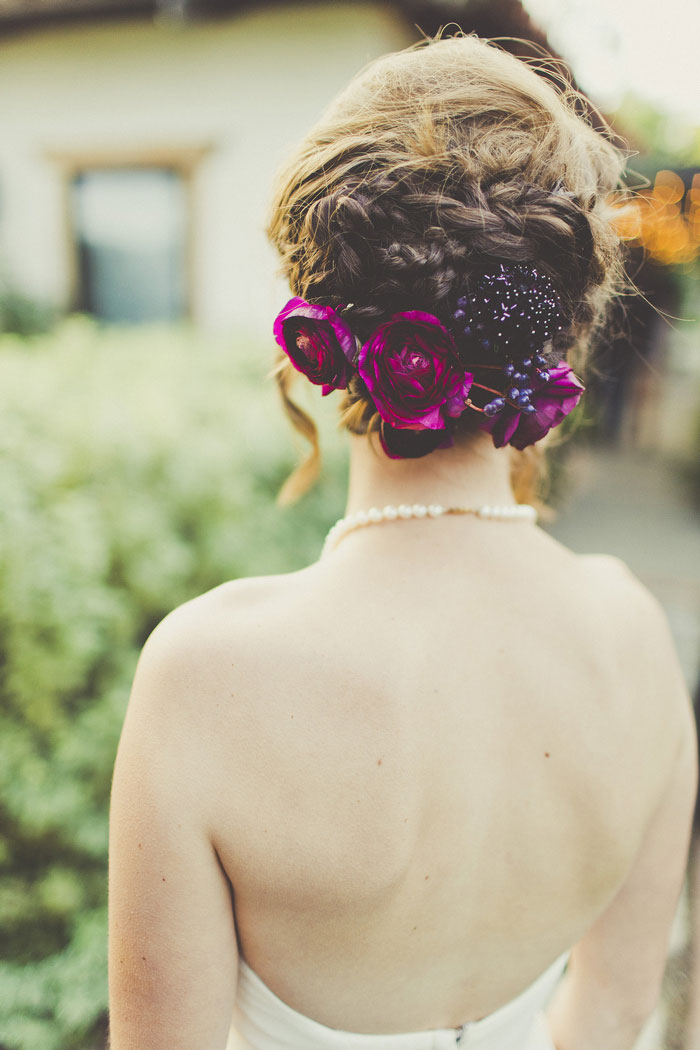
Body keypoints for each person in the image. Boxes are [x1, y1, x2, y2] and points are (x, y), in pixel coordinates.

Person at [107, 33, 697, 1050]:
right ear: (560, 341)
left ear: (317, 335)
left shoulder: (206, 676)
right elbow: (611, 1009)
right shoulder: (636, 637)